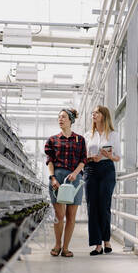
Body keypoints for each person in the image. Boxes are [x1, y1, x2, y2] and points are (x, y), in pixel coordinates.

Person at [44, 108, 87, 258]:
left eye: (63, 117)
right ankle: (57, 244)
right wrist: (52, 178)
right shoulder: (53, 140)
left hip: (75, 178)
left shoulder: (80, 140)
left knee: (71, 215)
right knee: (59, 214)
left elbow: (83, 160)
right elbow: (49, 161)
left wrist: (76, 173)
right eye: (59, 117)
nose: (60, 119)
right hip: (57, 177)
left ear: (70, 120)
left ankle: (66, 247)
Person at [84, 105, 120, 256]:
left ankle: (107, 240)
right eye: (92, 113)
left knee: (104, 205)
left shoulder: (113, 135)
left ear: (104, 116)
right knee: (92, 207)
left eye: (97, 112)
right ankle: (97, 244)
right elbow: (82, 158)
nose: (94, 114)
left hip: (107, 169)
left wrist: (107, 155)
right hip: (91, 169)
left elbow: (117, 157)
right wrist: (92, 157)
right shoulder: (87, 136)